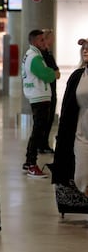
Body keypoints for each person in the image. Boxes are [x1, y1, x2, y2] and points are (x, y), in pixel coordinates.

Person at [51, 38, 88, 195]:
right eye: (84, 48)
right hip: (81, 134)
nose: (85, 50)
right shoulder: (78, 76)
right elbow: (68, 107)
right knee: (82, 177)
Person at [21, 29, 56, 178]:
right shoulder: (35, 57)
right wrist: (53, 73)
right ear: (35, 42)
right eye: (42, 40)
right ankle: (32, 163)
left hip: (38, 96)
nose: (45, 42)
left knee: (37, 130)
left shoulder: (31, 55)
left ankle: (29, 161)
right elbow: (47, 75)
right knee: (38, 131)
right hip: (39, 97)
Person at [40, 29, 61, 154]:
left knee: (49, 118)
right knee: (44, 119)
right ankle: (41, 144)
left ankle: (44, 143)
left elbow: (56, 72)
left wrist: (54, 73)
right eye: (51, 38)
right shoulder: (43, 56)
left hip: (52, 90)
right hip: (46, 91)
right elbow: (52, 73)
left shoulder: (48, 53)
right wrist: (53, 73)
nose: (53, 40)